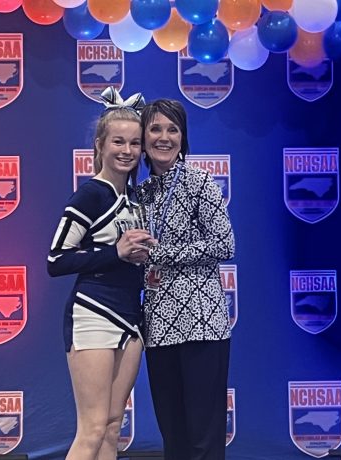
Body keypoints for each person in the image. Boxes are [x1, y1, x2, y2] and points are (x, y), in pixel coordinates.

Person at [47, 87, 155, 460]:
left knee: (112, 425)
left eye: (135, 143)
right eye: (118, 142)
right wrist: (115, 252)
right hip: (94, 314)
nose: (127, 150)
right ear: (100, 145)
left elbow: (131, 258)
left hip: (131, 318)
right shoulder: (90, 196)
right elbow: (56, 259)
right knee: (92, 428)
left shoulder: (137, 199)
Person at [136, 99, 236, 460]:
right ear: (143, 138)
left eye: (173, 129)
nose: (164, 137)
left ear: (183, 138)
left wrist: (159, 254)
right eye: (155, 129)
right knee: (173, 436)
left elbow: (224, 244)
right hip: (159, 327)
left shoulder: (200, 181)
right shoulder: (140, 194)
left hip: (201, 326)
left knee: (203, 439)